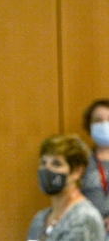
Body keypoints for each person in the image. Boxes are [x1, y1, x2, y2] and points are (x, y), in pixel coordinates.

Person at [27, 134, 104, 241]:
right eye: (43, 163)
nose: (47, 170)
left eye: (56, 164)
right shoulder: (40, 219)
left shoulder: (84, 219)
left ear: (77, 172)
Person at [82, 99, 109, 237]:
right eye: (98, 120)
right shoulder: (80, 161)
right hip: (89, 232)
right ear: (89, 125)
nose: (105, 125)